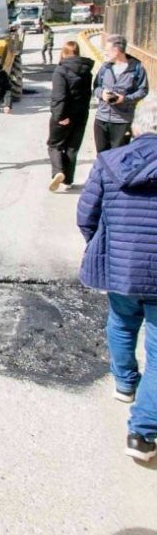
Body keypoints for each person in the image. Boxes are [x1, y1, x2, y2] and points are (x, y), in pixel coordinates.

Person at [77, 97, 157, 462]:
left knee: (122, 322)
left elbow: (86, 216)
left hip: (122, 268)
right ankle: (142, 434)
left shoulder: (110, 162)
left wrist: (104, 245)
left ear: (136, 126)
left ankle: (125, 383)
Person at [47, 40, 94, 191]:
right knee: (72, 148)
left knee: (54, 145)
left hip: (64, 115)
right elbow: (87, 95)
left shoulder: (61, 71)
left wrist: (59, 116)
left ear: (64, 53)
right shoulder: (87, 71)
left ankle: (58, 171)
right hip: (81, 115)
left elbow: (59, 96)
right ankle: (68, 180)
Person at [93, 34, 149, 153]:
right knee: (102, 157)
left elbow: (143, 90)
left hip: (122, 121)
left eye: (107, 50)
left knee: (119, 157)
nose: (105, 53)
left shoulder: (137, 68)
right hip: (101, 119)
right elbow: (96, 87)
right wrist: (102, 93)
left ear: (117, 50)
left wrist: (124, 99)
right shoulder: (105, 67)